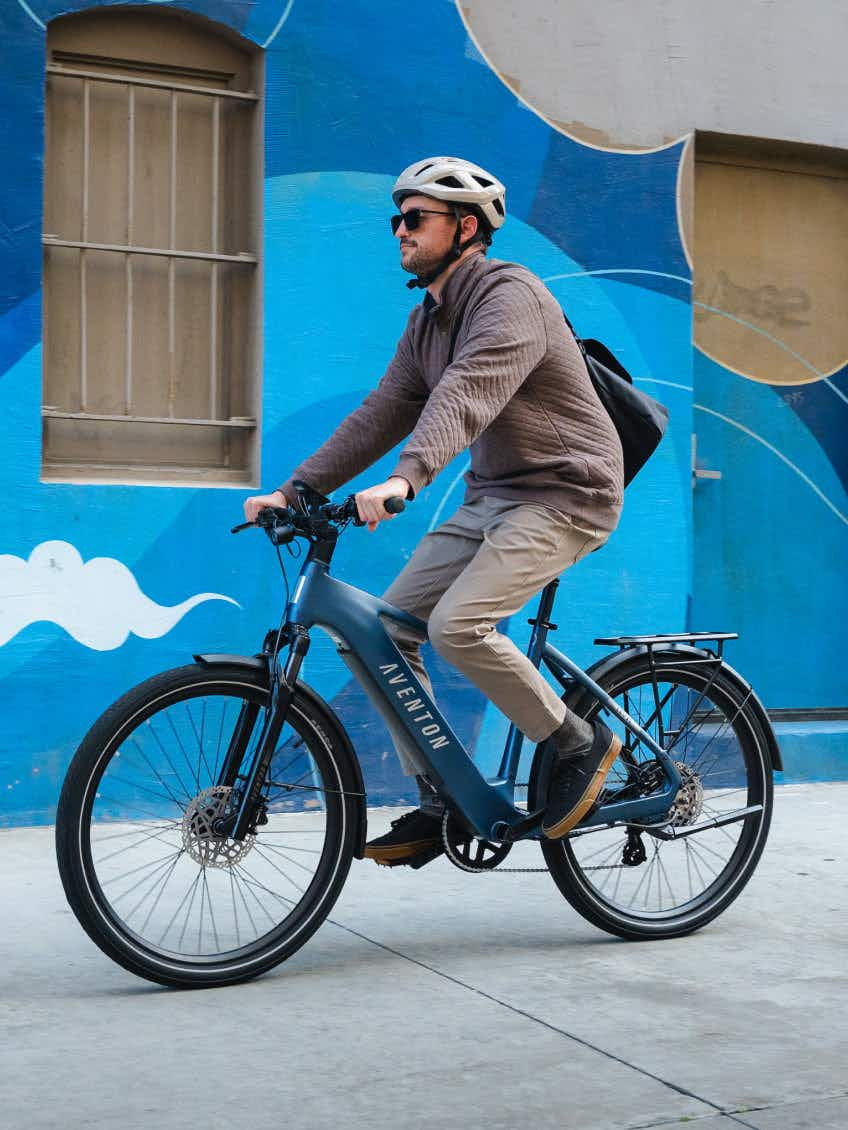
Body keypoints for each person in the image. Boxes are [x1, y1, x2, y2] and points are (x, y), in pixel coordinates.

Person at [244, 156, 625, 866]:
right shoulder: (429, 322)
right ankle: (442, 794)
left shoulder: (512, 297)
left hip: (569, 495)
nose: (399, 231)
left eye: (414, 218)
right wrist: (296, 491)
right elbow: (383, 411)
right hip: (498, 498)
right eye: (396, 219)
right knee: (377, 634)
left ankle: (577, 740)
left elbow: (469, 396)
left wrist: (406, 481)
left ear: (467, 227)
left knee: (458, 627)